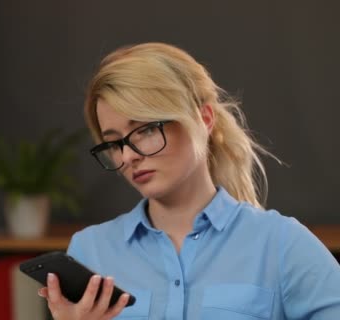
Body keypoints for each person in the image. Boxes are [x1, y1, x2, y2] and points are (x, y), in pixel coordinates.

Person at [36, 42, 340, 319]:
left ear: (204, 119)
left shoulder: (282, 245)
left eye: (145, 130)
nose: (128, 157)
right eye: (114, 144)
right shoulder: (91, 251)